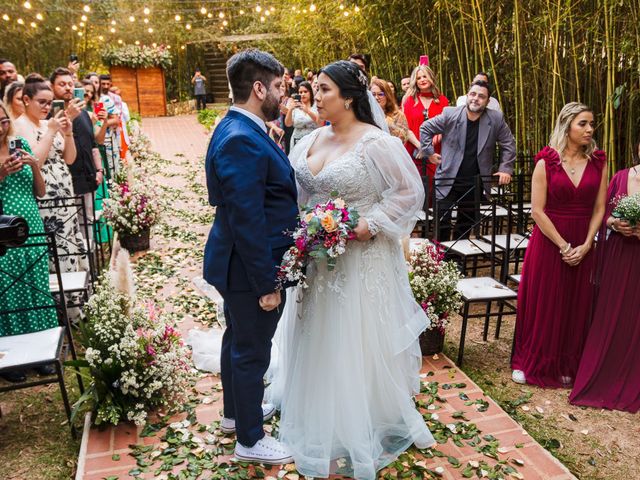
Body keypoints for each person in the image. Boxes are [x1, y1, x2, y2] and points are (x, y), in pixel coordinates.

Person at [268, 60, 434, 479]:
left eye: (324, 90)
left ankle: (361, 415)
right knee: (317, 329)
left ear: (348, 96)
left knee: (353, 332)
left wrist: (370, 223)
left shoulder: (376, 142)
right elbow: (300, 191)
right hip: (318, 260)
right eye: (315, 88)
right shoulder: (310, 138)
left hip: (362, 257)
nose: (315, 96)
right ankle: (316, 404)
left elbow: (409, 193)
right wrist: (304, 230)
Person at [203, 49, 298, 465]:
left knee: (236, 339)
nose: (283, 93)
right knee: (251, 349)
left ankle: (234, 414)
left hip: (239, 262)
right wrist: (267, 284)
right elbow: (248, 220)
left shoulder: (240, 127)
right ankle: (250, 439)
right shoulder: (241, 138)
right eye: (278, 86)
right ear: (259, 88)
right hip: (249, 266)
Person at [511, 102, 607, 388]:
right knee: (544, 302)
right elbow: (537, 211)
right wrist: (564, 246)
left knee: (575, 303)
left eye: (592, 124)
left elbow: (600, 208)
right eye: (583, 123)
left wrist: (588, 244)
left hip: (583, 240)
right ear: (567, 126)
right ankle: (528, 361)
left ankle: (566, 361)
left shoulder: (598, 163)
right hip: (550, 241)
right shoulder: (546, 162)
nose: (590, 129)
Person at [569, 136, 640, 412]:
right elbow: (602, 214)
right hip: (619, 256)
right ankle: (604, 370)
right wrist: (615, 223)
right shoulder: (620, 178)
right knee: (612, 313)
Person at [0, 101, 57, 382]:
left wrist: (35, 166)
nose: (1, 128)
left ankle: (42, 352)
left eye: (3, 121)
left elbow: (41, 191)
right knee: (9, 291)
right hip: (3, 228)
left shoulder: (19, 142)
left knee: (36, 286)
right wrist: (1, 174)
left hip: (31, 221)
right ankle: (12, 360)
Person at [13, 74, 89, 287]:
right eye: (42, 102)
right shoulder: (19, 127)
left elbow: (70, 158)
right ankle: (64, 309)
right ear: (27, 100)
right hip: (45, 199)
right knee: (57, 250)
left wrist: (68, 134)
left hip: (65, 194)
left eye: (49, 102)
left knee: (71, 245)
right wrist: (52, 131)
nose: (47, 107)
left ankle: (78, 304)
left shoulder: (48, 123)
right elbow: (35, 160)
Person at [420, 80, 515, 240]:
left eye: (481, 96)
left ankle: (456, 261)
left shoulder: (495, 118)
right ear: (467, 96)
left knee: (465, 225)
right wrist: (429, 152)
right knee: (442, 223)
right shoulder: (450, 114)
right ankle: (440, 261)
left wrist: (505, 168)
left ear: (487, 101)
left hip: (475, 182)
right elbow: (425, 128)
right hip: (448, 179)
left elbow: (509, 143)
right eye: (473, 94)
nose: (475, 98)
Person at [403, 65, 448, 178]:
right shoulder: (409, 101)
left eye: (425, 76)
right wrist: (421, 147)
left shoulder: (442, 100)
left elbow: (446, 126)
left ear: (431, 78)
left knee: (435, 187)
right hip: (414, 150)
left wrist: (428, 148)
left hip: (436, 150)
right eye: (419, 78)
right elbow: (406, 129)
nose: (422, 80)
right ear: (415, 81)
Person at [370, 78, 417, 146]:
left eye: (380, 94)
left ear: (387, 95)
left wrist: (388, 125)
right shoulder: (366, 114)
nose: (376, 98)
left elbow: (403, 138)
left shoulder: (398, 114)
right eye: (373, 94)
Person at [284, 80, 321, 148]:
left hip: (312, 140)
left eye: (305, 91)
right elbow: (288, 124)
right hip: (297, 140)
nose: (303, 94)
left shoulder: (316, 105)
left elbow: (320, 122)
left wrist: (307, 111)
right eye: (300, 92)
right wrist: (290, 110)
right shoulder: (296, 106)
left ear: (310, 92)